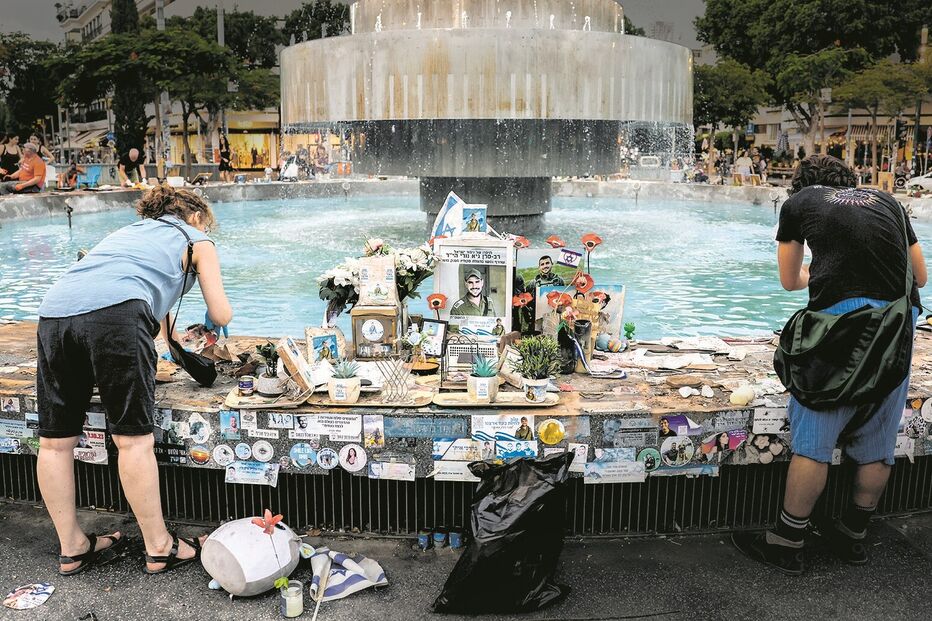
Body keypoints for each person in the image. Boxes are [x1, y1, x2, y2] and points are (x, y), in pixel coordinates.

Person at [732, 155, 927, 575]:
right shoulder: (887, 200)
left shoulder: (800, 202)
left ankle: (786, 542)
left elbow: (789, 280)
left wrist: (815, 273)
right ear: (851, 180)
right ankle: (852, 536)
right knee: (877, 443)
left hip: (843, 330)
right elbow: (921, 276)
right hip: (898, 328)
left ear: (800, 184)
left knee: (815, 441)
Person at [36, 184, 232, 575]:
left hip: (54, 314)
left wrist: (171, 340)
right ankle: (159, 547)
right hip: (116, 318)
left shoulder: (126, 234)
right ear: (195, 217)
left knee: (55, 443)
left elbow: (137, 290)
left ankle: (72, 546)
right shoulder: (198, 239)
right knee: (132, 440)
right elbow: (221, 313)